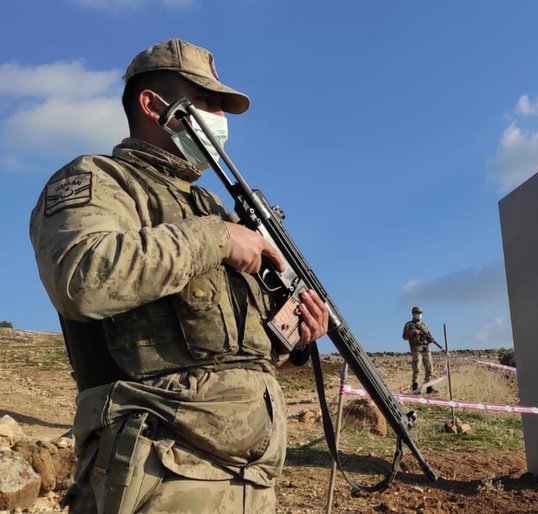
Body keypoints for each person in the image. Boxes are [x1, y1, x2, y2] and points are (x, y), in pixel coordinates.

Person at [29, 39, 329, 514]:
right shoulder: (100, 179)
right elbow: (81, 279)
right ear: (153, 105)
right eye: (207, 102)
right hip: (159, 470)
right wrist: (219, 240)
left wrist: (295, 333)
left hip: (251, 477)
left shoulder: (208, 207)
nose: (220, 119)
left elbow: (228, 344)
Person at [401, 306, 437, 394]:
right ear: (413, 314)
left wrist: (431, 340)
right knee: (417, 368)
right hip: (416, 348)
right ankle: (415, 387)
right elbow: (404, 337)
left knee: (429, 368)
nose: (419, 315)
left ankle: (429, 387)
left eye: (420, 313)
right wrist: (413, 332)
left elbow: (428, 336)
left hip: (426, 348)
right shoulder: (409, 325)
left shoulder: (424, 325)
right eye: (417, 313)